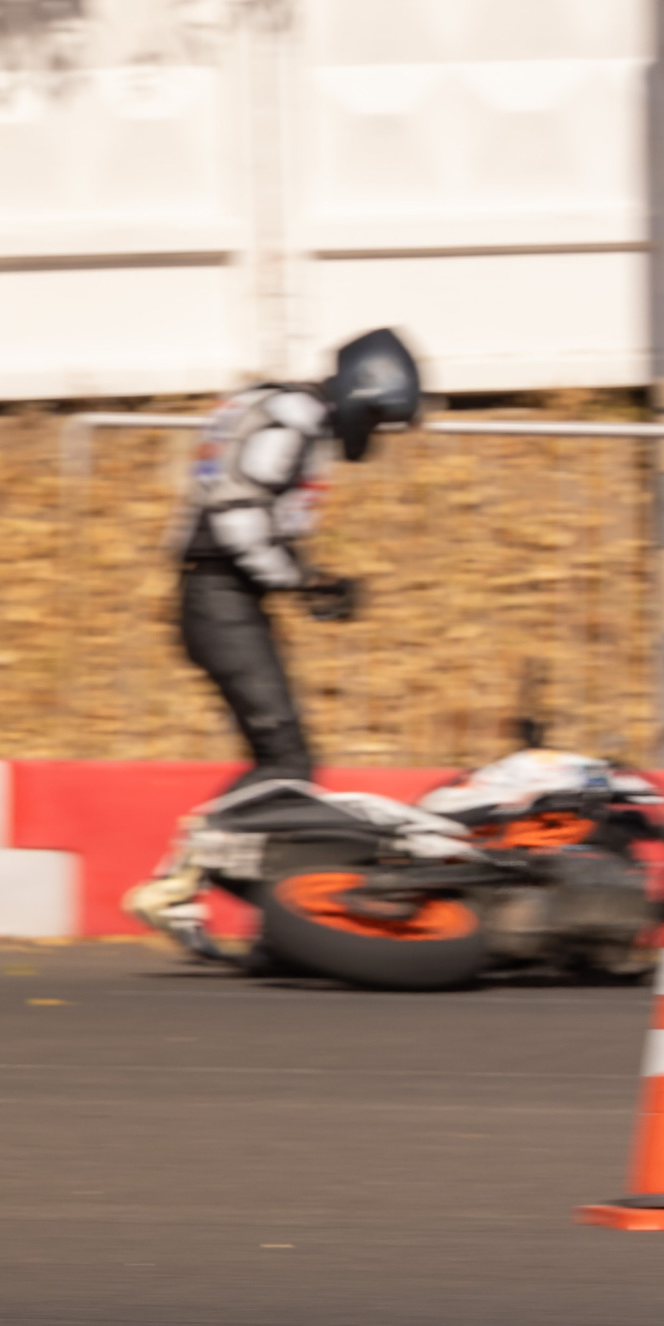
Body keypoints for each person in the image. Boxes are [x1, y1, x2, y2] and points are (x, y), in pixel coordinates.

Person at [121, 328, 423, 947]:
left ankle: (234, 900)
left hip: (224, 598)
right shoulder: (296, 417)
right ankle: (177, 884)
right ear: (364, 393)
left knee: (281, 765)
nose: (376, 436)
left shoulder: (286, 409)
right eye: (379, 420)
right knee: (286, 764)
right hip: (219, 599)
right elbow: (237, 512)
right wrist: (299, 580)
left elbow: (245, 507)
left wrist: (306, 577)